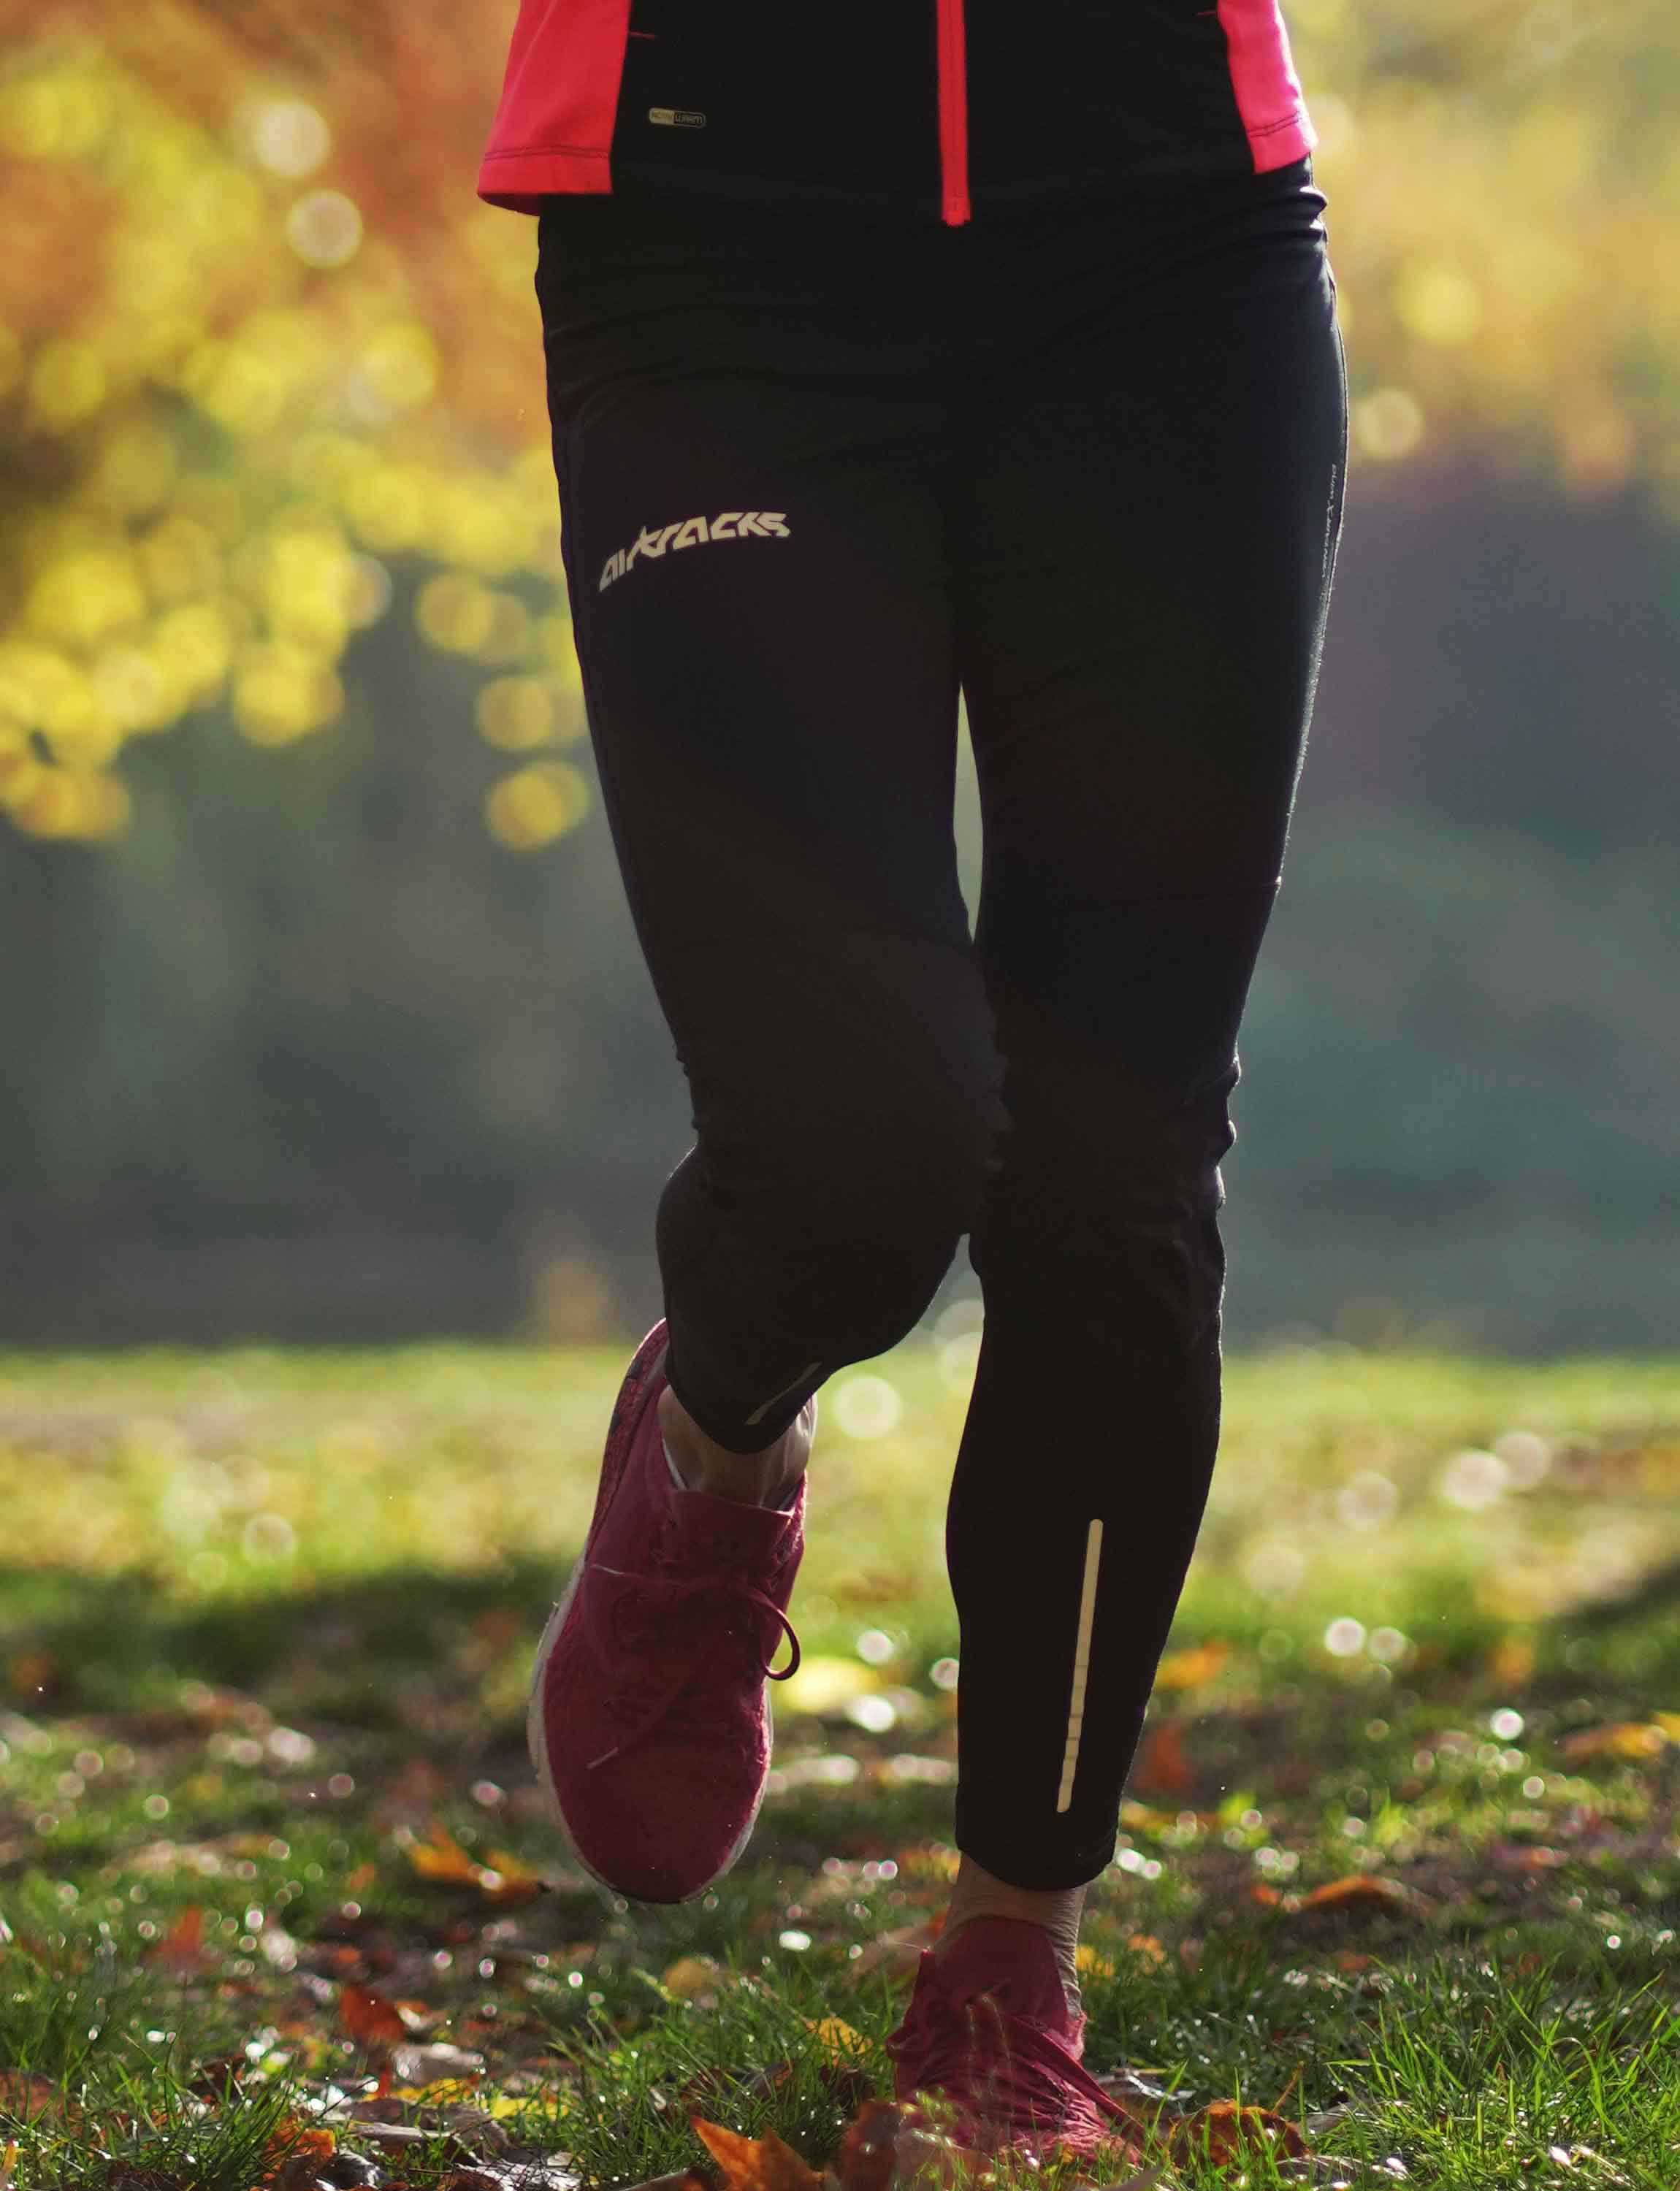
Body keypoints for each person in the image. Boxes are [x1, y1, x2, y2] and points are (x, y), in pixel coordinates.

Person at [479, 1, 1348, 2154]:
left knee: (1107, 1166)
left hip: (1169, 243)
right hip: (712, 236)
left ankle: (1007, 1966)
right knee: (860, 1139)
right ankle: (710, 1443)